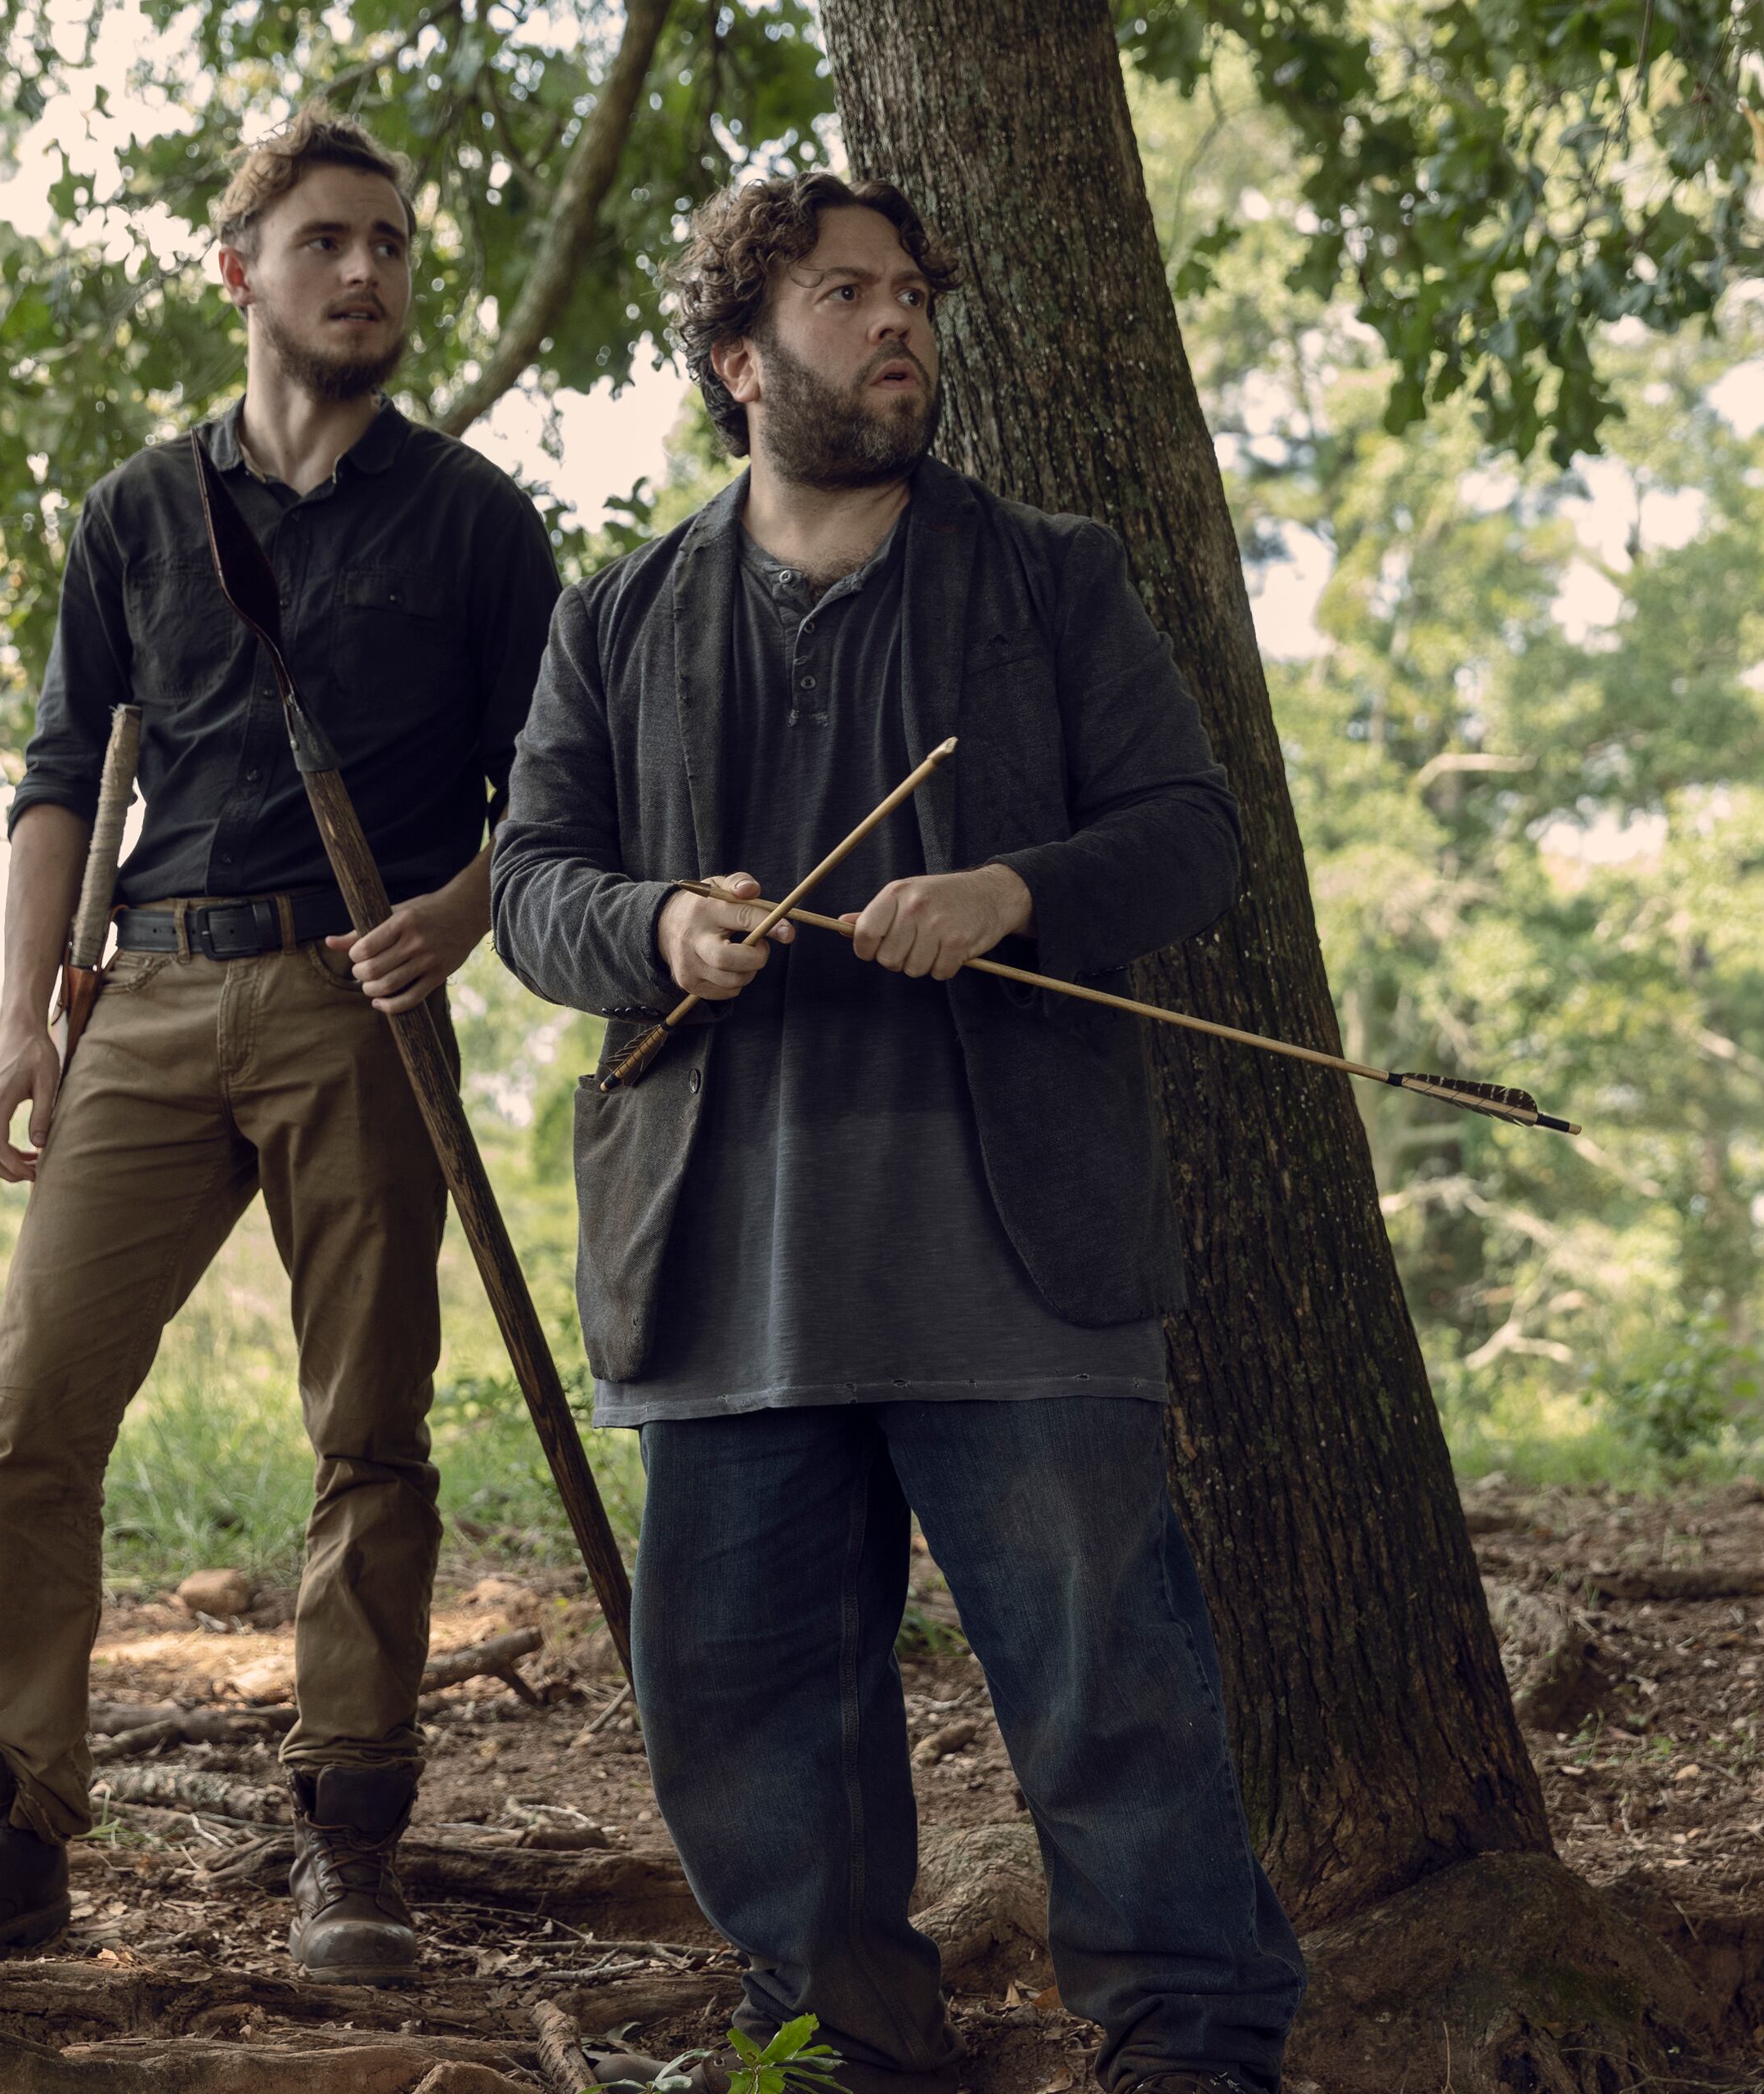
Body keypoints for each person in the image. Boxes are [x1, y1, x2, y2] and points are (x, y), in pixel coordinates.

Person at [491, 173, 1304, 2094]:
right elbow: (532, 881)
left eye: (913, 291)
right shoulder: (615, 617)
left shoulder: (1050, 574)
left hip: (1018, 1265)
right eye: (846, 294)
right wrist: (663, 925)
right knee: (752, 1725)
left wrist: (1011, 888)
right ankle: (847, 2049)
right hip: (724, 1272)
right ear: (737, 356)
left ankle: (1192, 2047)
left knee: (1115, 1698)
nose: (899, 323)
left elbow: (1195, 830)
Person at [0, 108, 559, 1983]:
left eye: (394, 244)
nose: (368, 272)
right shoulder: (136, 514)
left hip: (360, 1003)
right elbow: (60, 773)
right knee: (31, 1419)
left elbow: (560, 788)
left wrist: (464, 912)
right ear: (239, 268)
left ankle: (351, 1844)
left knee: (370, 1436)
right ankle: (6, 1835)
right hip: (146, 996)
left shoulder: (479, 519)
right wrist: (24, 1019)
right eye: (328, 240)